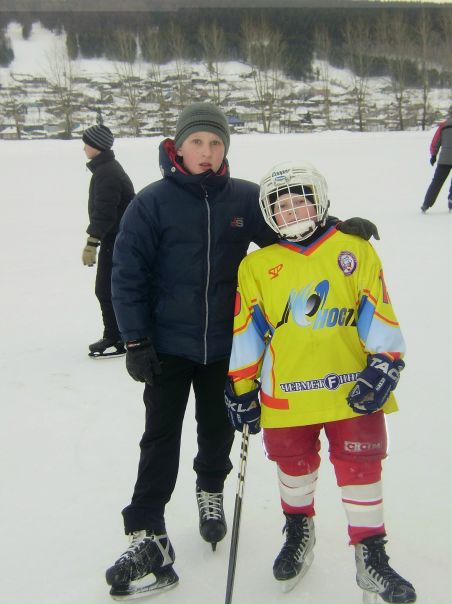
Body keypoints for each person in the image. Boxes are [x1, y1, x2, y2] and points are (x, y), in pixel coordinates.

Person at [105, 102, 379, 599]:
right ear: (178, 148)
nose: (206, 152)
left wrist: (338, 229)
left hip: (225, 345)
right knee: (159, 436)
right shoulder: (151, 203)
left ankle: (211, 489)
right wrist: (136, 339)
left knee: (218, 427)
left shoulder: (245, 199)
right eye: (197, 143)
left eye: (215, 143)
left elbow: (293, 229)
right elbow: (126, 273)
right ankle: (147, 530)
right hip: (167, 346)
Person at [226, 161, 416, 603]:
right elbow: (246, 330)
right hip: (286, 394)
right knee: (293, 467)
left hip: (353, 389)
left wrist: (386, 361)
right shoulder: (257, 265)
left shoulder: (354, 249)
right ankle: (299, 530)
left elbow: (378, 309)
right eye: (282, 206)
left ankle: (371, 553)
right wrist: (241, 386)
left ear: (319, 204)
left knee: (361, 468)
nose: (292, 212)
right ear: (269, 215)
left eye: (300, 202)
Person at [81, 124, 135, 357]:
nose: (84, 148)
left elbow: (105, 213)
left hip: (118, 240)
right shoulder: (106, 169)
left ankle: (117, 338)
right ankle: (118, 335)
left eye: (87, 143)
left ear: (97, 146)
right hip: (118, 238)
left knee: (106, 289)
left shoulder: (107, 173)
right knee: (109, 289)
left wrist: (91, 243)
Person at [421, 105, 452, 213]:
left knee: (437, 182)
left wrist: (433, 155)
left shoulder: (444, 125)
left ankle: (426, 203)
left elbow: (436, 142)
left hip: (444, 159)